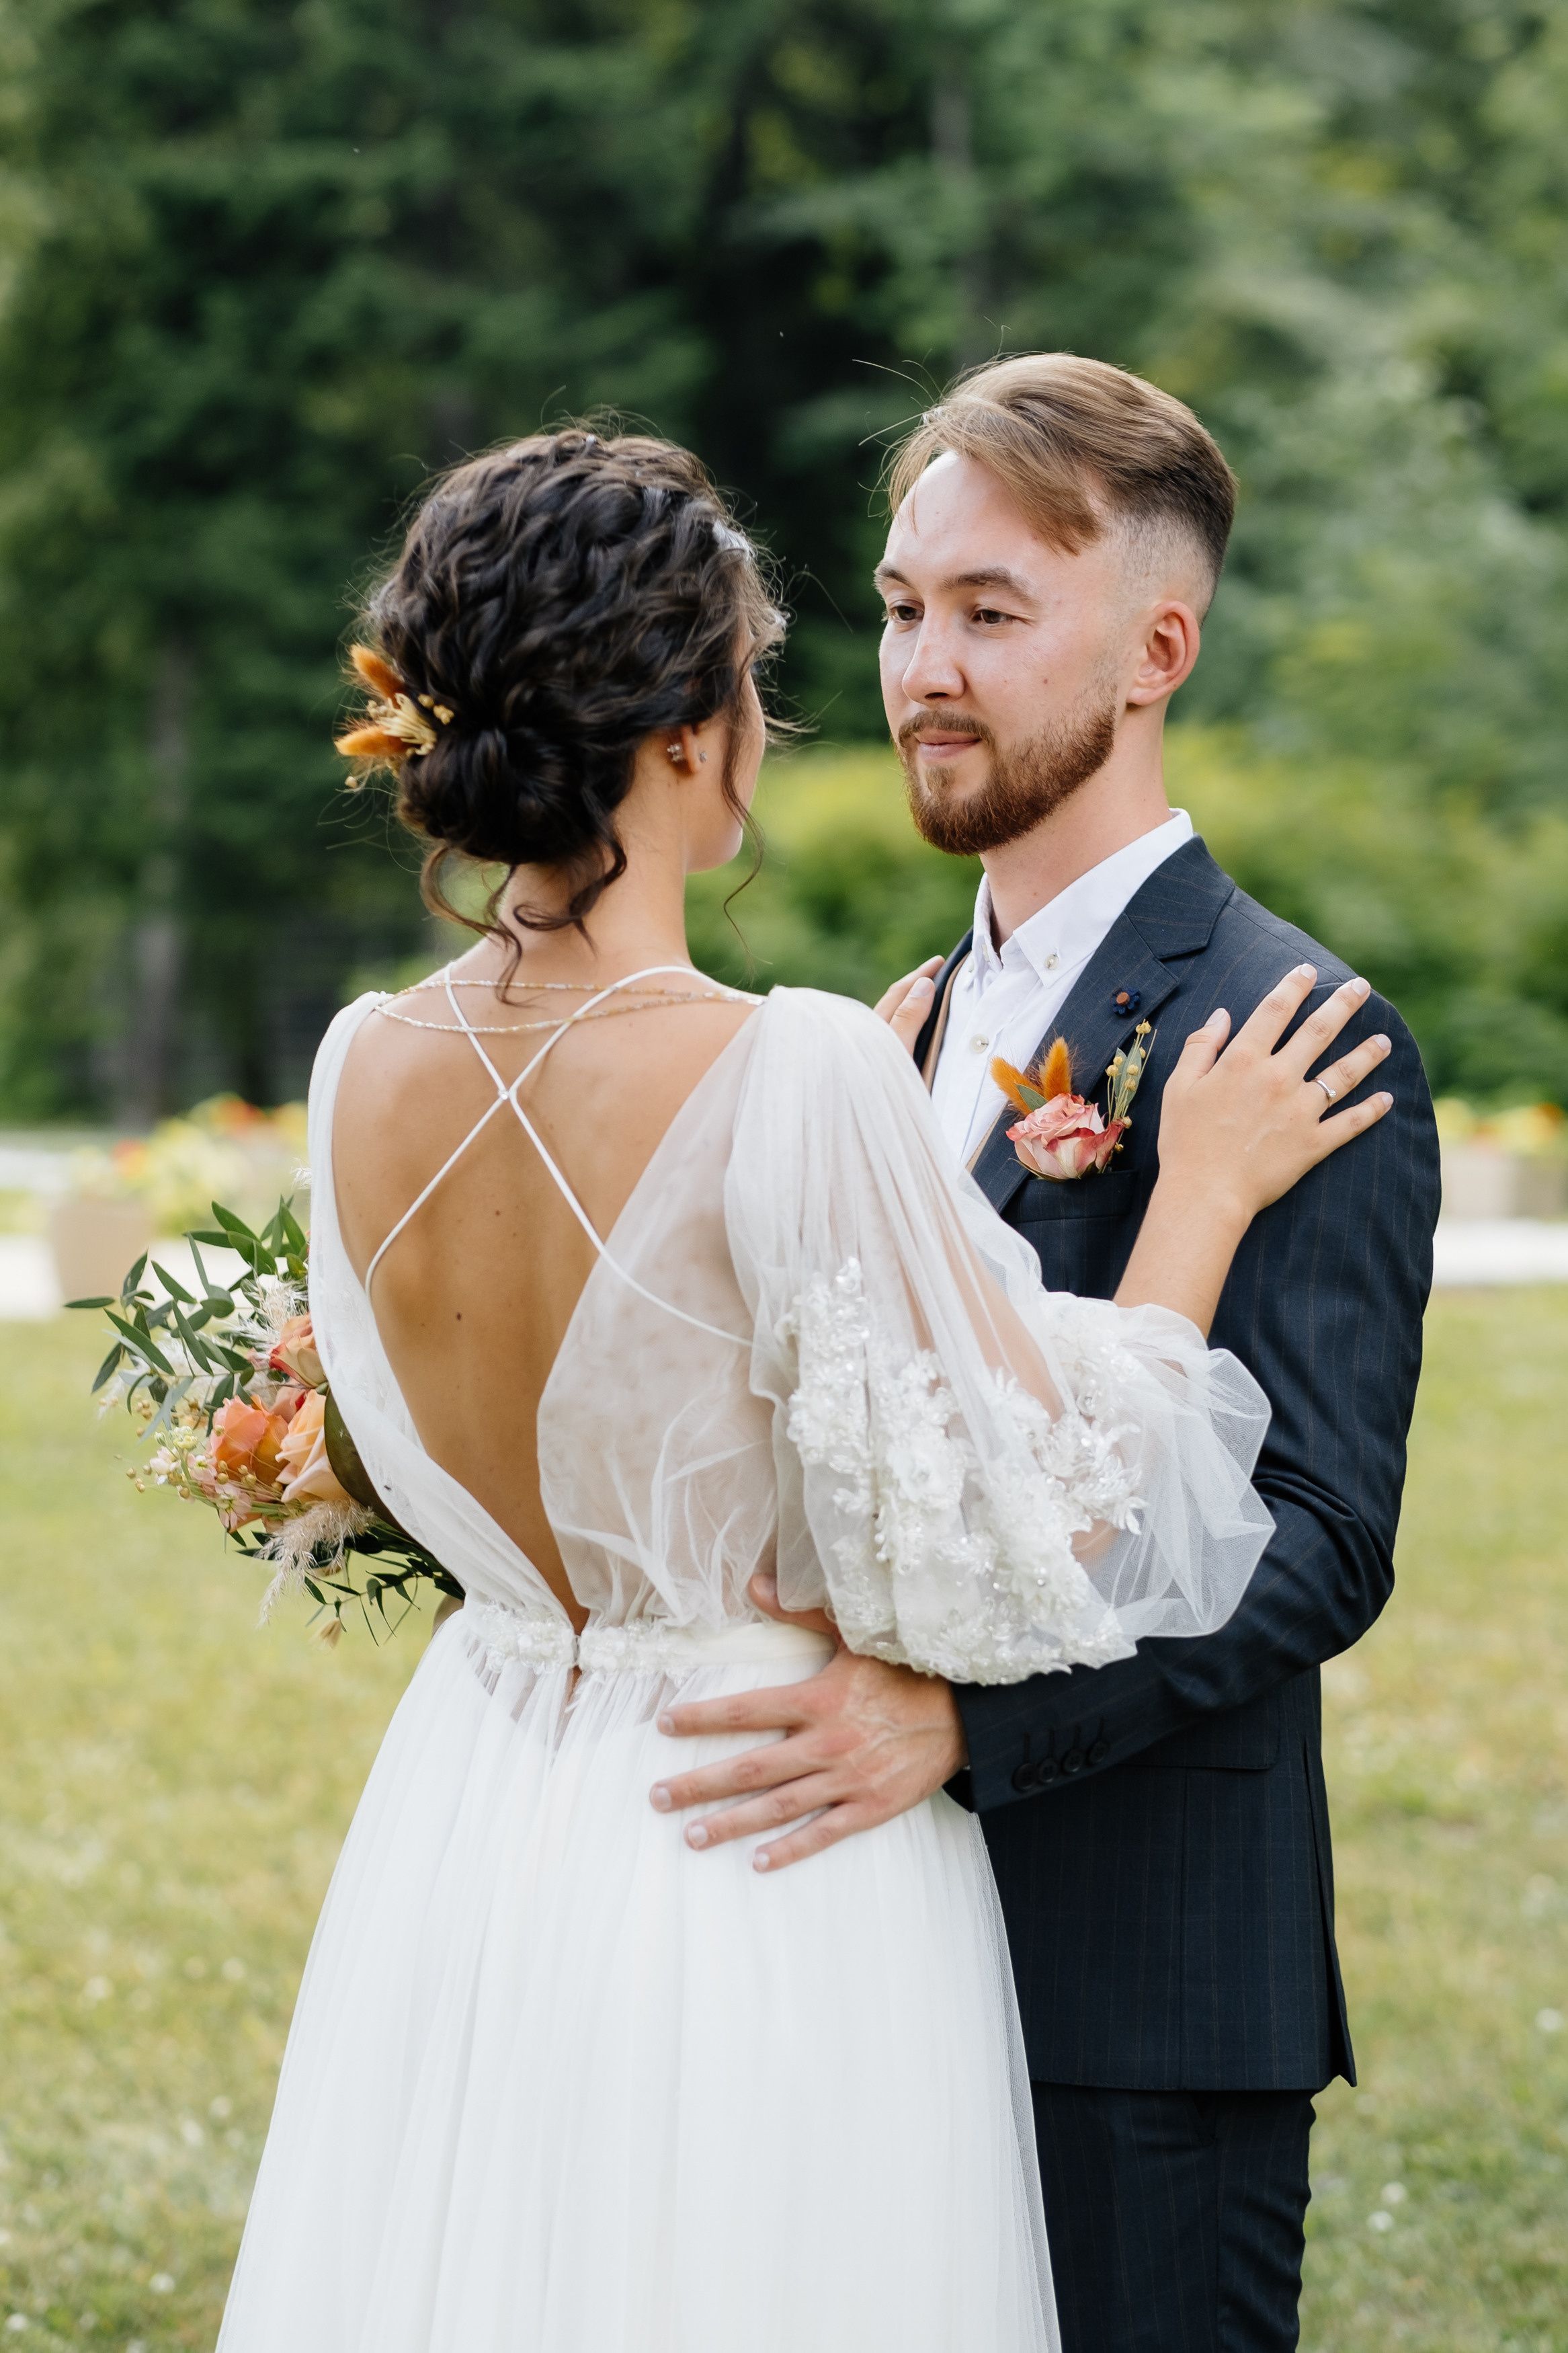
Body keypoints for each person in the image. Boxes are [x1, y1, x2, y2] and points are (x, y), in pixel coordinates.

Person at [214, 428, 1393, 2353]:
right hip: (756, 1862)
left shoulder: (360, 1066)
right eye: (794, 660)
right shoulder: (804, 1065)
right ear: (690, 731)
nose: (872, 679)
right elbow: (1051, 1514)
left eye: (978, 610)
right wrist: (1192, 1205)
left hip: (484, 1835)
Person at [657, 359, 1440, 2353]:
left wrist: (966, 1729)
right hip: (868, 1950)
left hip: (1139, 1986)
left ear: (1156, 648)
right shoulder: (904, 1029)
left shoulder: (1297, 1032)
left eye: (992, 612)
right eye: (904, 606)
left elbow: (1317, 1536)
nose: (924, 668)